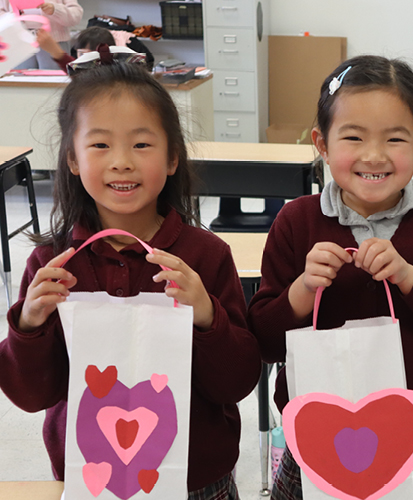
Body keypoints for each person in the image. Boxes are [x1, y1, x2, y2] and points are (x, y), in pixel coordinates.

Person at [0, 61, 261, 499]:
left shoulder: (206, 257)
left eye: (142, 144)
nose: (122, 162)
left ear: (173, 156)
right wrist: (29, 325)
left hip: (197, 478)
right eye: (100, 144)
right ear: (72, 158)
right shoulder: (54, 264)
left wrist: (206, 316)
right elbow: (31, 395)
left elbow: (236, 383)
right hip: (93, 478)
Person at [247, 55, 413, 500]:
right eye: (353, 137)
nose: (374, 155)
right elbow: (263, 342)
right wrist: (302, 290)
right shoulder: (296, 221)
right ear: (321, 144)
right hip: (316, 443)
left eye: (395, 139)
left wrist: (411, 278)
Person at [0, 0, 82, 69]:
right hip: (20, 42)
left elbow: (76, 16)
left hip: (54, 42)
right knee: (18, 82)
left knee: (55, 82)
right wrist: (11, 16)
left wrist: (55, 9)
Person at [36, 26, 155, 73]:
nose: (84, 59)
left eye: (91, 55)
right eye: (81, 54)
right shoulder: (81, 70)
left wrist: (56, 52)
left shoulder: (114, 74)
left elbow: (75, 72)